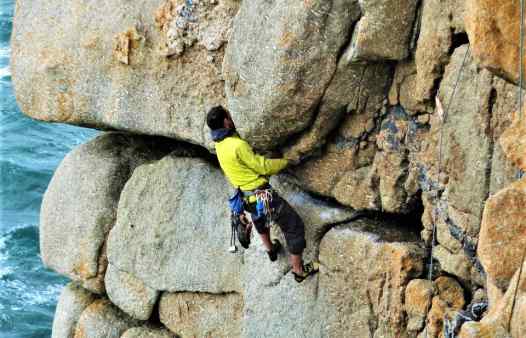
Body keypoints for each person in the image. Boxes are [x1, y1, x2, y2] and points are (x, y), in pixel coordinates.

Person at [207, 105, 319, 283]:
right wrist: (286, 161)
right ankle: (298, 271)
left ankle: (270, 249)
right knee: (294, 226)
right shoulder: (237, 145)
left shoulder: (220, 145)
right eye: (229, 115)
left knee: (258, 217)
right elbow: (263, 166)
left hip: (246, 196)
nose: (232, 117)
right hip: (262, 195)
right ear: (226, 121)